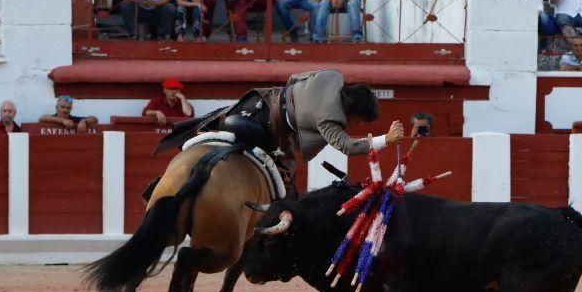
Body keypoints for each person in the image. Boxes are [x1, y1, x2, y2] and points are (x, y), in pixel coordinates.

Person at [157, 69, 407, 193]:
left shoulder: (332, 76)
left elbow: (295, 78)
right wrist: (387, 139)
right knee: (286, 183)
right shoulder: (329, 119)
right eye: (359, 122)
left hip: (261, 97)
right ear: (353, 113)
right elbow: (347, 147)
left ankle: (194, 139)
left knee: (214, 121)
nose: (355, 126)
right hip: (271, 128)